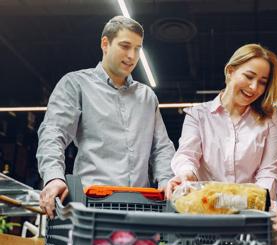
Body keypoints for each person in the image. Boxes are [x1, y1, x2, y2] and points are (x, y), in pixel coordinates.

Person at [37, 16, 175, 218]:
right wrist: (53, 177)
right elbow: (53, 133)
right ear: (105, 44)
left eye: (137, 48)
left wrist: (167, 180)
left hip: (142, 209)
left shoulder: (147, 97)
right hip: (91, 208)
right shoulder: (76, 84)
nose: (132, 55)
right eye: (125, 46)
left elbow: (161, 147)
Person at [166, 43, 277, 201]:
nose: (254, 87)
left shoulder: (270, 118)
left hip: (251, 213)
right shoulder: (198, 115)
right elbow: (187, 155)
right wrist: (186, 175)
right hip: (206, 208)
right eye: (249, 76)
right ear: (230, 71)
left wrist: (253, 201)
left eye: (262, 82)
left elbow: (270, 171)